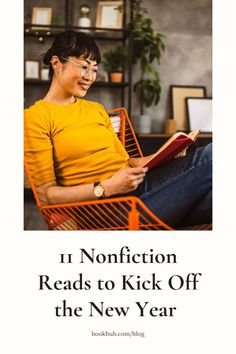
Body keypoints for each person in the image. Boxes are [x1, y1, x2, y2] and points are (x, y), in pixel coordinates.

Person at [24, 31, 212, 228]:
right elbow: (46, 195)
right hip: (109, 211)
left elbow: (129, 162)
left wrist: (167, 153)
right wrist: (107, 187)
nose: (90, 77)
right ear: (56, 63)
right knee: (213, 155)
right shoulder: (35, 117)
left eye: (94, 69)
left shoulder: (96, 109)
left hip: (140, 192)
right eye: (84, 67)